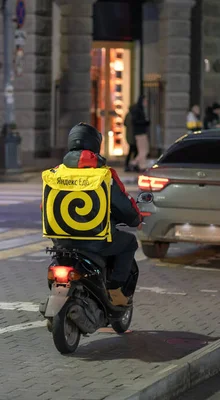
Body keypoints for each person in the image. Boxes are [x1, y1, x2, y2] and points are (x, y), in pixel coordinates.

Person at [52, 123, 142, 306]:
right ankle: (114, 289)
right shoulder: (104, 175)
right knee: (129, 243)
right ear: (96, 145)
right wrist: (135, 219)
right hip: (96, 242)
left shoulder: (56, 173)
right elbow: (123, 206)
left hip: (61, 241)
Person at [129, 95, 150, 171]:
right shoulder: (137, 110)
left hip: (142, 132)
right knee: (143, 151)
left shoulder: (141, 109)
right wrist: (145, 122)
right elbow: (135, 122)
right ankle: (139, 165)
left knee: (145, 150)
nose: (146, 102)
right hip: (139, 133)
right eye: (145, 101)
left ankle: (136, 163)